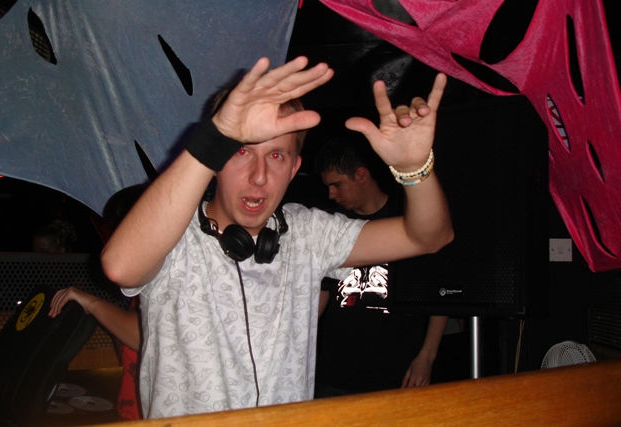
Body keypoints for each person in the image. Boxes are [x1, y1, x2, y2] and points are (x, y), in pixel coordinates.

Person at [100, 56, 453, 418]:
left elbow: (429, 237)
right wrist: (213, 139)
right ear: (216, 160)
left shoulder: (308, 234)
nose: (259, 175)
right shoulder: (171, 233)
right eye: (241, 151)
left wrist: (415, 170)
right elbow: (120, 267)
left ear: (294, 168)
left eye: (276, 156)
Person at [313, 132, 448, 397]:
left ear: (361, 176)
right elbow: (321, 294)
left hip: (397, 374)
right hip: (335, 376)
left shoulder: (409, 221)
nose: (331, 194)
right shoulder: (333, 227)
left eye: (337, 184)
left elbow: (440, 295)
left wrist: (427, 357)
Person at [48, 184, 148, 421]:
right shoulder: (142, 280)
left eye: (118, 227)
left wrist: (91, 303)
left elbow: (145, 336)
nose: (112, 237)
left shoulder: (170, 272)